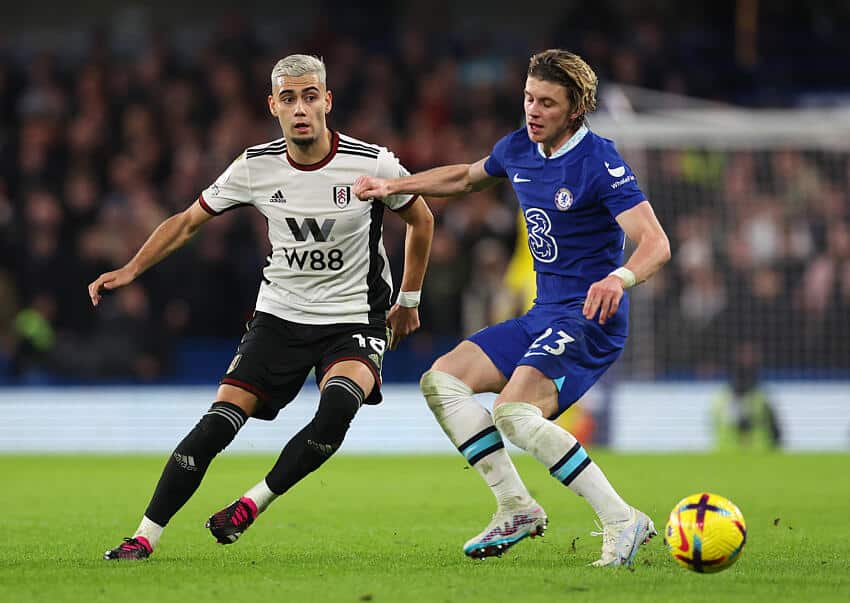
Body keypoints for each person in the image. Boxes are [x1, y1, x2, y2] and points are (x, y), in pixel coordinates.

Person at [90, 54, 434, 560]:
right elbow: (187, 222)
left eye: (310, 96)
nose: (301, 108)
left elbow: (422, 220)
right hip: (279, 316)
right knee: (217, 423)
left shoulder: (371, 162)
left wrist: (409, 298)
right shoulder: (255, 166)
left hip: (354, 317)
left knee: (339, 405)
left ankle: (253, 503)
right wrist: (131, 269)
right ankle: (143, 536)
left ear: (327, 102)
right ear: (273, 105)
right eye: (289, 98)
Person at [354, 49, 671, 567]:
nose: (533, 110)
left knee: (514, 413)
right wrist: (395, 185)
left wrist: (620, 277)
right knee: (442, 380)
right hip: (544, 314)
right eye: (528, 98)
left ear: (575, 109)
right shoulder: (519, 148)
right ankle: (515, 507)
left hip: (590, 319)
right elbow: (464, 178)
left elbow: (655, 243)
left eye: (547, 102)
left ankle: (622, 520)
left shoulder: (600, 161)